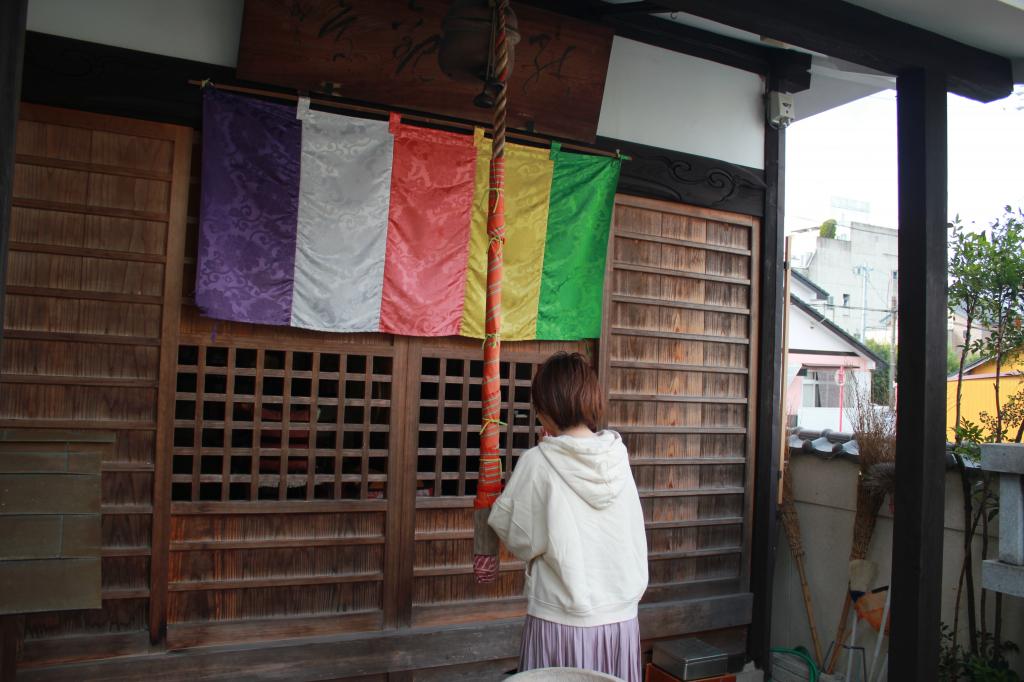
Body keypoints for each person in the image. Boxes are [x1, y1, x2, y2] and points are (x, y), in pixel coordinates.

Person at [488, 352, 648, 682]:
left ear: (545, 408)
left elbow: (519, 538)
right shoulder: (617, 456)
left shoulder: (538, 461)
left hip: (561, 621)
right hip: (619, 623)